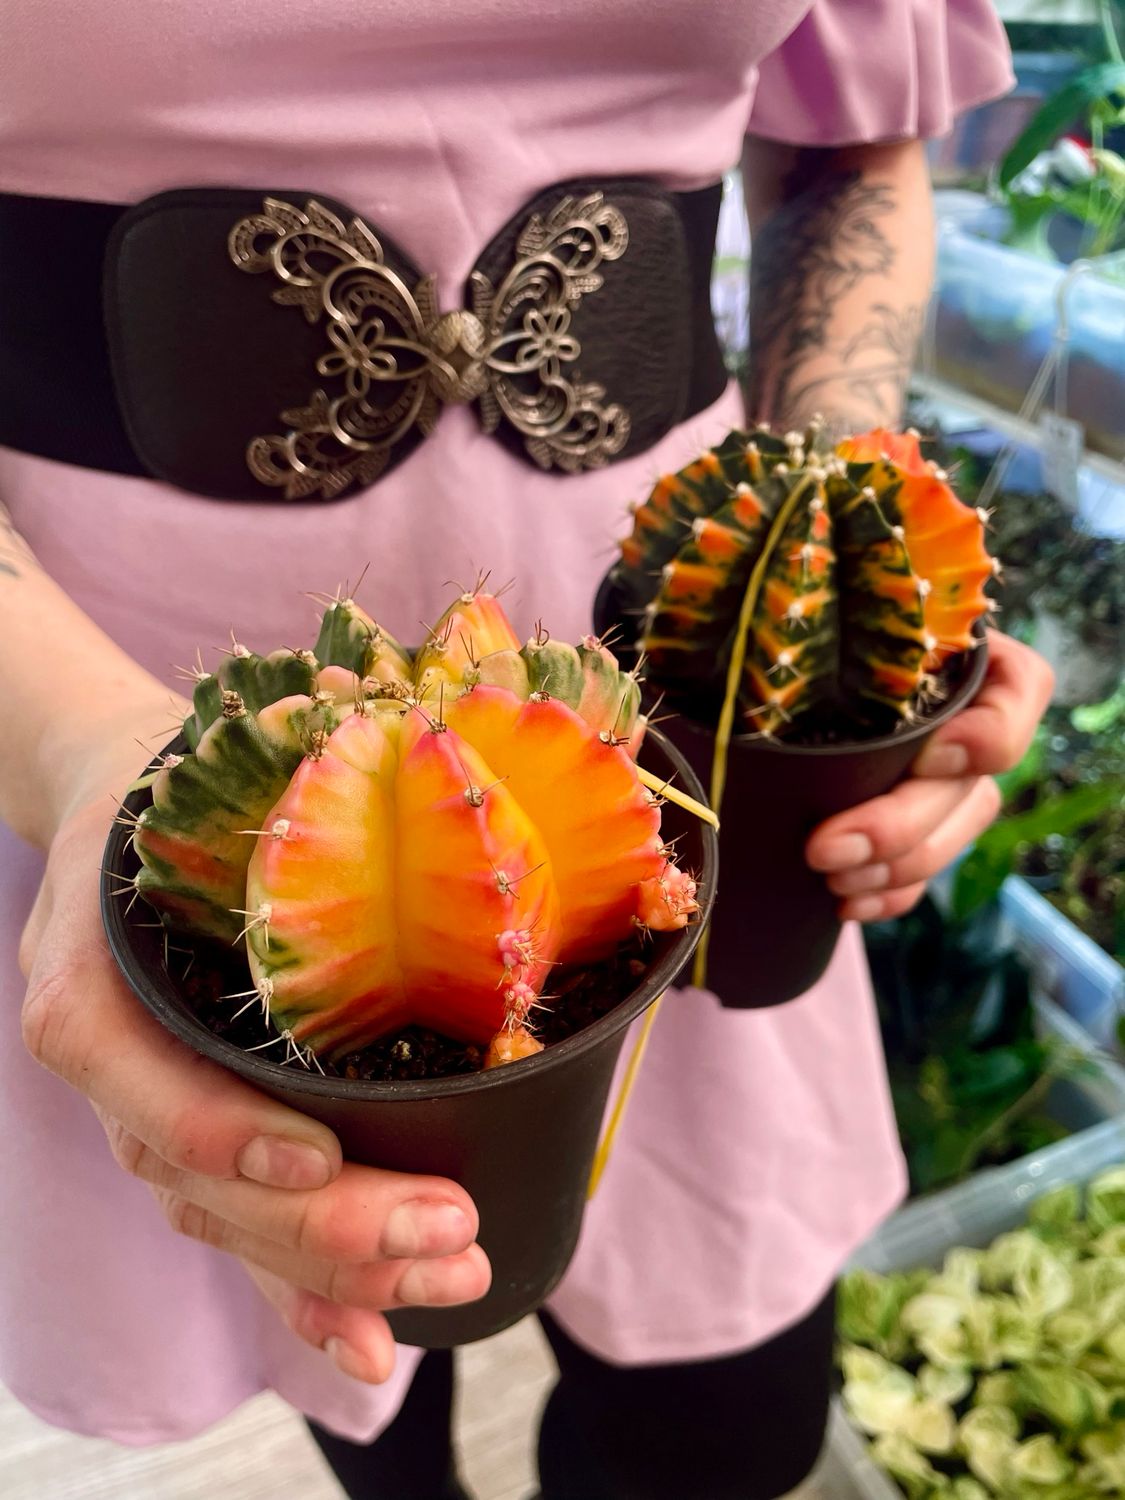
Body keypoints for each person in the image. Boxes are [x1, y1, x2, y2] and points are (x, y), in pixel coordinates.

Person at [0, 1, 1054, 1496]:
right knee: (352, 1325)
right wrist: (77, 743)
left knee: (729, 1405)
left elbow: (849, 145)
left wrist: (822, 539)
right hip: (144, 687)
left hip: (671, 665)